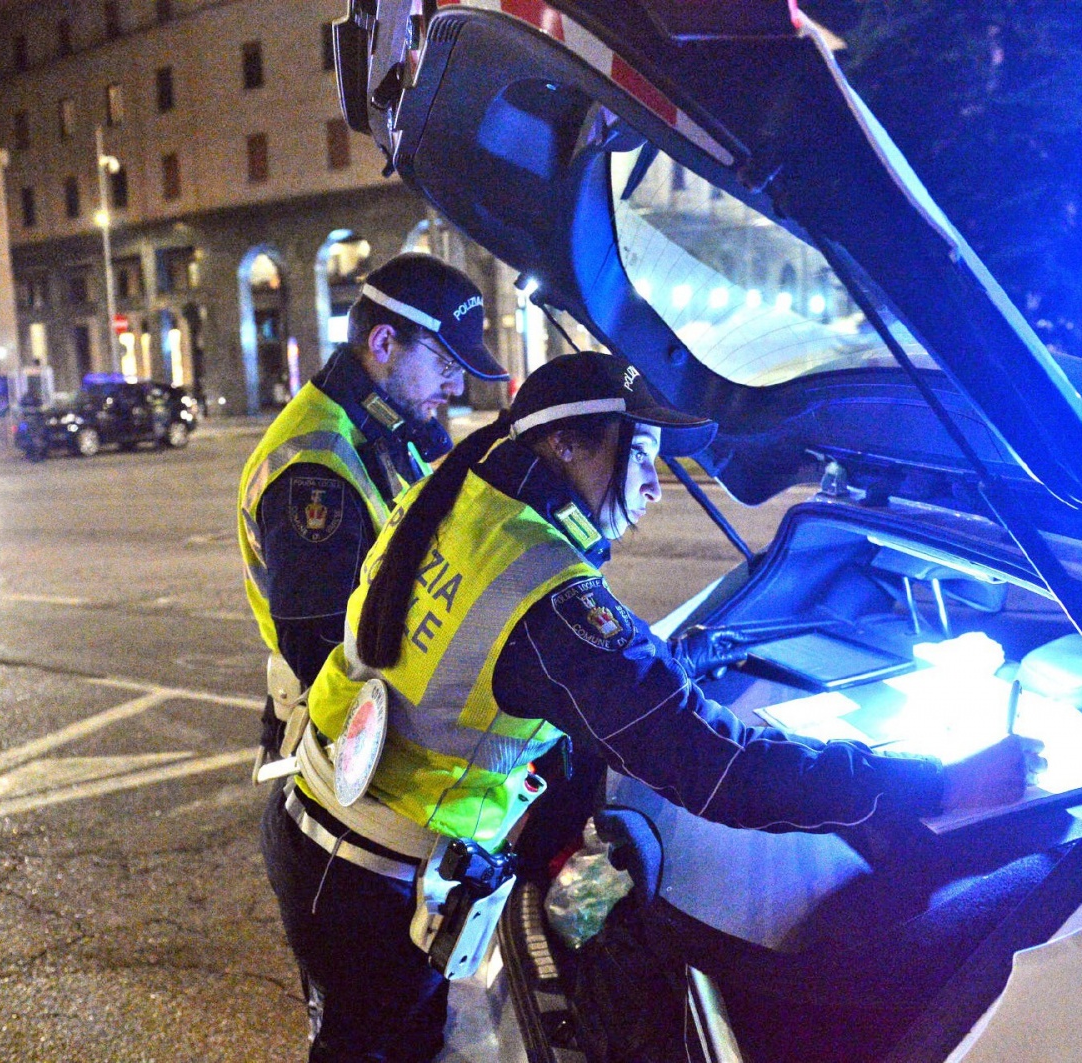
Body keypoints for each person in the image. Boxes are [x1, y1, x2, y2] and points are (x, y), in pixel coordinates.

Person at [265, 351, 1039, 1062]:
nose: (652, 487)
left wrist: (677, 666)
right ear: (566, 445)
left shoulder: (473, 500)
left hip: (327, 835)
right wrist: (935, 785)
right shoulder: (542, 592)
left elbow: (536, 681)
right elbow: (716, 765)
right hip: (366, 882)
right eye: (639, 456)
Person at [239, 253, 505, 1022]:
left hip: (374, 771)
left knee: (402, 1017)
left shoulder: (388, 430)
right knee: (366, 1022)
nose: (454, 385)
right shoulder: (317, 467)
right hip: (344, 782)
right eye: (444, 364)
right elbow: (323, 652)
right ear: (384, 343)